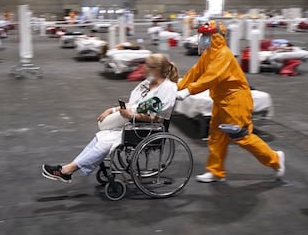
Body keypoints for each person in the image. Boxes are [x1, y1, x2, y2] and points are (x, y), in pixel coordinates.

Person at [176, 20, 285, 183]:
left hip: (236, 101)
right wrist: (178, 87)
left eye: (206, 35)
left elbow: (212, 76)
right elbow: (195, 72)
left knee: (241, 136)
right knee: (216, 136)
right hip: (220, 101)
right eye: (202, 35)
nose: (202, 39)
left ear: (216, 36)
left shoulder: (223, 54)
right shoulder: (208, 54)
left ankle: (275, 159)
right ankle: (216, 171)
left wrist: (188, 91)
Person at [42, 54, 179, 183]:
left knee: (106, 142)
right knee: (101, 136)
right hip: (133, 124)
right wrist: (112, 110)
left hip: (148, 129)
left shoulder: (168, 88)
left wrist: (131, 116)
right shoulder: (147, 83)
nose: (143, 67)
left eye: (147, 65)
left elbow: (158, 119)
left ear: (157, 69)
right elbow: (133, 105)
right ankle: (68, 169)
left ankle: (67, 170)